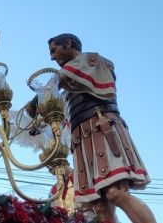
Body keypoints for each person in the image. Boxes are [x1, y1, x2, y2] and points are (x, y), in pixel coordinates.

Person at [28, 33, 154, 222]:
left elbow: (58, 81)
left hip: (101, 129)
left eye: (54, 50)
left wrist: (36, 100)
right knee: (100, 208)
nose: (52, 57)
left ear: (68, 43)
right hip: (82, 139)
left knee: (114, 193)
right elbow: (59, 107)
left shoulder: (91, 61)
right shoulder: (73, 84)